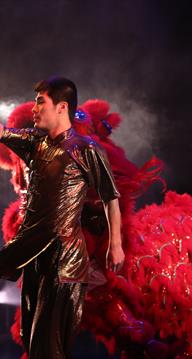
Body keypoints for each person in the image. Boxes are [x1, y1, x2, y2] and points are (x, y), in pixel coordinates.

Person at [0, 76, 125, 358]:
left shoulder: (87, 149)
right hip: (35, 259)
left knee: (51, 346)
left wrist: (115, 244)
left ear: (61, 106)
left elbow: (110, 197)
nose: (33, 109)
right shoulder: (34, 143)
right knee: (33, 342)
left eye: (39, 102)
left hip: (66, 263)